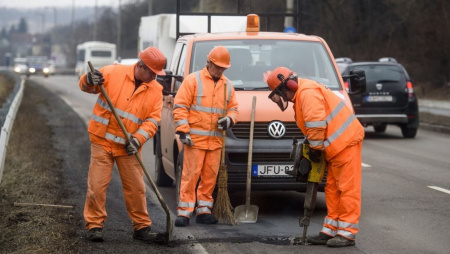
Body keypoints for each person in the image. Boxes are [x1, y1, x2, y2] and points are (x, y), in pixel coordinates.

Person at [266, 67, 364, 247]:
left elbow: (316, 123)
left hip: (345, 143)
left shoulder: (307, 92)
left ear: (287, 86)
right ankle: (330, 230)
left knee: (347, 189)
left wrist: (315, 148)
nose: (281, 99)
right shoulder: (302, 94)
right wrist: (315, 147)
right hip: (335, 147)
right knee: (332, 189)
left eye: (278, 94)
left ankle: (347, 233)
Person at [78, 46, 166, 242]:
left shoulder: (156, 90)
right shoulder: (112, 72)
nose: (154, 77)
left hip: (129, 147)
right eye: (152, 72)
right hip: (102, 141)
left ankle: (142, 227)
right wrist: (88, 79)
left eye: (156, 74)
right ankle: (94, 226)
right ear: (141, 66)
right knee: (97, 186)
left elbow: (152, 121)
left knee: (136, 188)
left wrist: (137, 139)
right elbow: (86, 87)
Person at [172, 45, 239, 227]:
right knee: (190, 176)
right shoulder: (193, 80)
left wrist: (229, 120)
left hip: (215, 141)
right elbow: (180, 107)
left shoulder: (228, 85)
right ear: (208, 63)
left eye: (223, 68)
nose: (219, 70)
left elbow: (233, 108)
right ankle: (184, 213)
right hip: (195, 140)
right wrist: (183, 131)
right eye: (217, 67)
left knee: (210, 177)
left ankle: (204, 211)